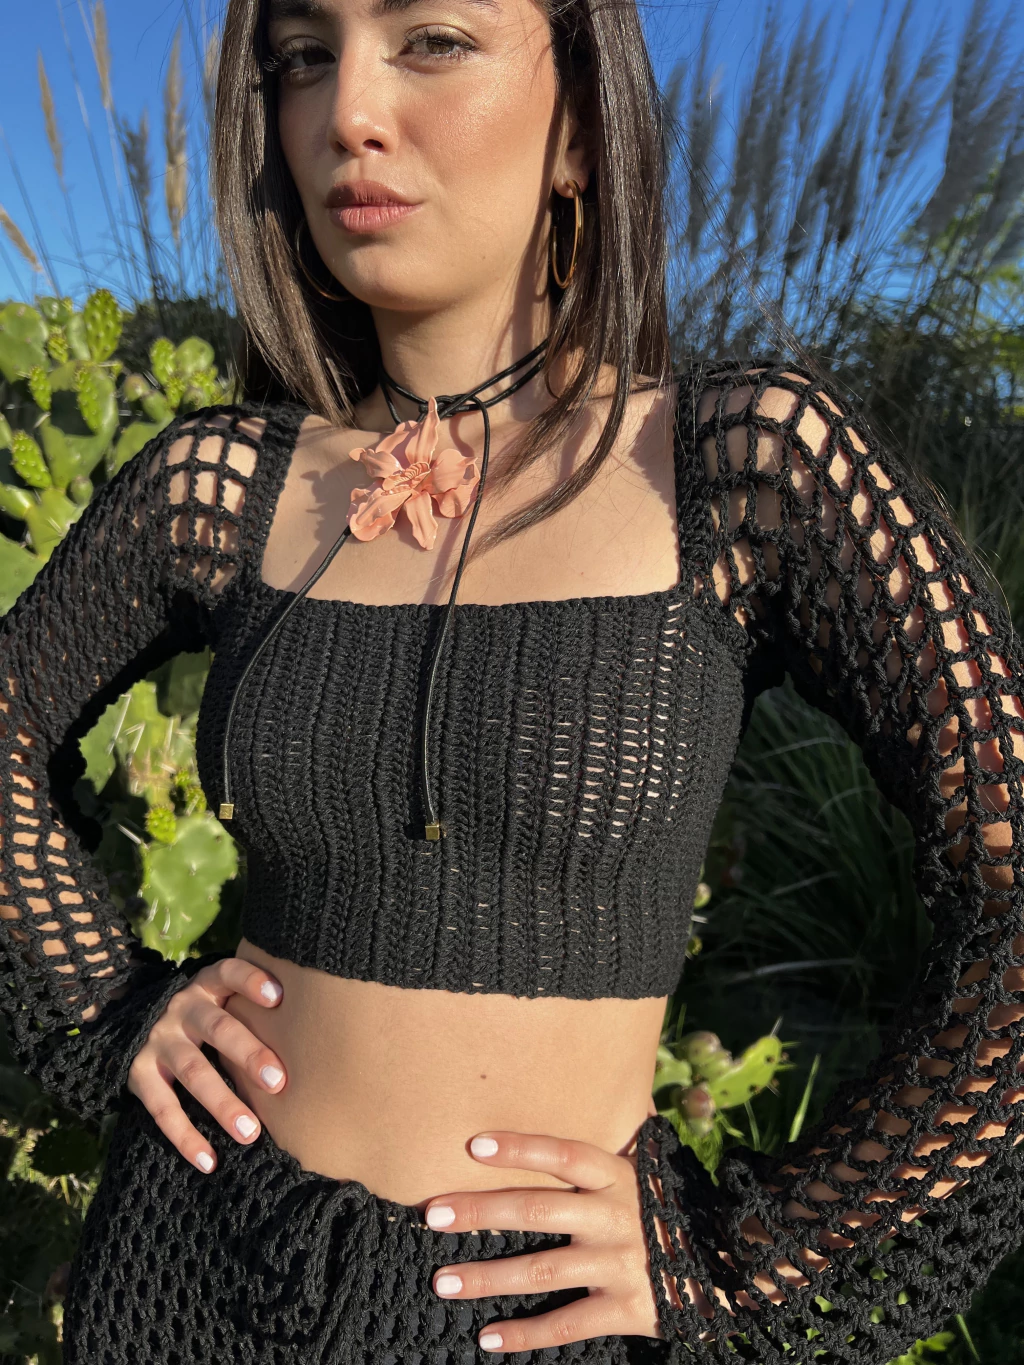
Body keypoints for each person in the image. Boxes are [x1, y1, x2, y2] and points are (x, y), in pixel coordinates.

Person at [2, 0, 1023, 1359]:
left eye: (431, 40)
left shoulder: (741, 469)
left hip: (542, 1324)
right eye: (303, 56)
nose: (347, 112)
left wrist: (758, 1257)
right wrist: (105, 1003)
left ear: (584, 127)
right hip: (185, 1272)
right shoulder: (228, 486)